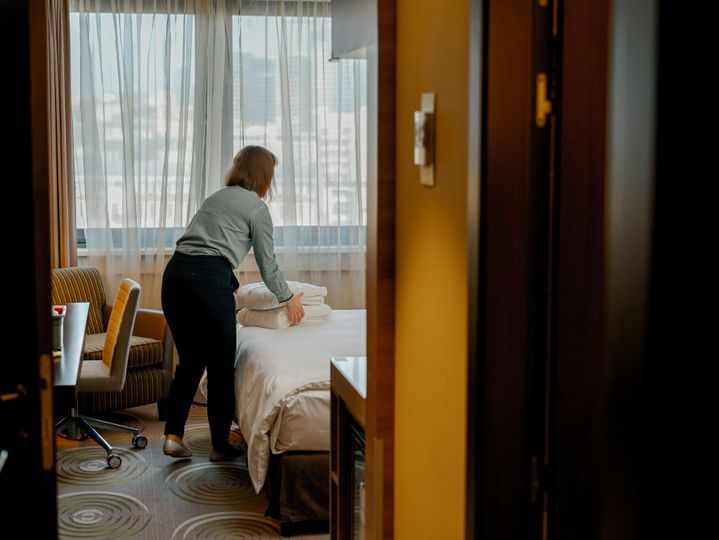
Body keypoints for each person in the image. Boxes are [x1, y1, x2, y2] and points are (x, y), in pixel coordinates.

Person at [161, 145, 305, 461]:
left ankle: (173, 436)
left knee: (189, 361)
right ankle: (219, 446)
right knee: (221, 365)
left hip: (175, 277)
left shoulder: (215, 197)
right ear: (265, 176)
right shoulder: (256, 208)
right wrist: (288, 298)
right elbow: (268, 264)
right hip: (210, 280)